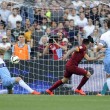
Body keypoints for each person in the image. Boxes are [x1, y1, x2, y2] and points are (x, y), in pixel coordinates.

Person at [94, 19, 110, 96]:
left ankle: (103, 93)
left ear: (107, 25)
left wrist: (96, 48)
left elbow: (99, 47)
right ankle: (103, 93)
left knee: (108, 76)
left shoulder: (105, 35)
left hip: (109, 57)